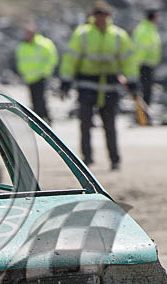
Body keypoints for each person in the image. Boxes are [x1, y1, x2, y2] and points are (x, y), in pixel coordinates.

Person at [59, 1, 138, 170]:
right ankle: (87, 158)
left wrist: (132, 81)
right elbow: (70, 59)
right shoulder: (83, 34)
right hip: (87, 84)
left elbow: (128, 60)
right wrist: (66, 80)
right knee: (85, 123)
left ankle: (115, 159)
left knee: (110, 125)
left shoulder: (118, 35)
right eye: (98, 16)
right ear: (93, 17)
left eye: (104, 16)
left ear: (108, 17)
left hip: (109, 86)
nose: (101, 19)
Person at [15, 23, 58, 123]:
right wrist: (22, 72)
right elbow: (20, 60)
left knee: (41, 100)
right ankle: (38, 119)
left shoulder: (43, 44)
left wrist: (46, 71)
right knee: (34, 99)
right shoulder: (22, 46)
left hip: (40, 76)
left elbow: (52, 58)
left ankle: (45, 119)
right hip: (29, 77)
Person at [133, 9, 162, 107]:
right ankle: (142, 114)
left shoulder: (149, 28)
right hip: (143, 64)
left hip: (148, 64)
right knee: (144, 89)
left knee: (147, 89)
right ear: (154, 17)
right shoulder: (145, 30)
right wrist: (137, 64)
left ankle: (144, 113)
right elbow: (140, 49)